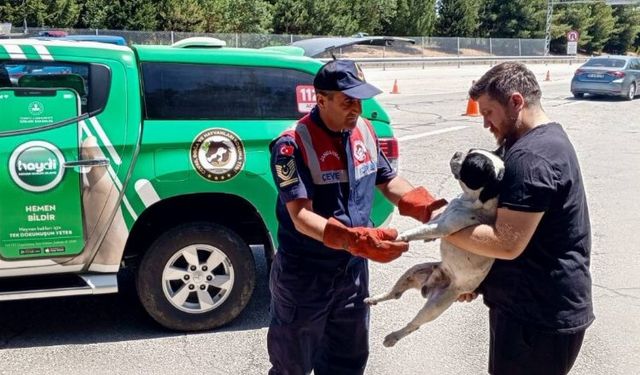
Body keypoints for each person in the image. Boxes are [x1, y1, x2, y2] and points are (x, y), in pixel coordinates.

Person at [267, 59, 446, 375]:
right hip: (306, 274)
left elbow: (387, 180)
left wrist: (426, 207)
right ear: (321, 100)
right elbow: (300, 216)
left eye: (360, 100)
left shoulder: (364, 131)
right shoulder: (292, 144)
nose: (357, 109)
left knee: (347, 361)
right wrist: (353, 239)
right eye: (347, 101)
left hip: (352, 272)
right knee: (291, 365)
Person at [446, 62, 594, 375]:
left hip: (537, 318)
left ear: (516, 102)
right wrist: (481, 280)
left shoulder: (531, 158)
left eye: (488, 112)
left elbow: (506, 242)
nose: (485, 123)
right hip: (535, 309)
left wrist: (443, 228)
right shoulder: (542, 141)